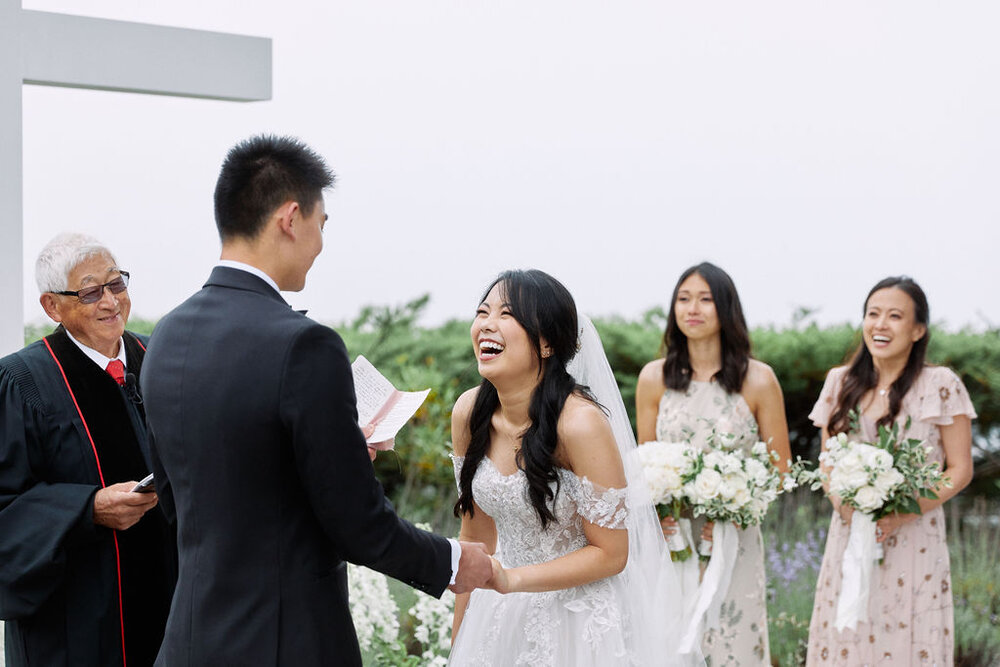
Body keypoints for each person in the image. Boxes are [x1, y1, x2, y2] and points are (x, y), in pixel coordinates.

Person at [139, 135, 492, 667]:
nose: (321, 245)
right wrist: (448, 560)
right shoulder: (304, 343)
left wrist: (334, 456)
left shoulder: (164, 337)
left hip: (190, 640)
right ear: (291, 217)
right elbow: (355, 522)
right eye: (322, 225)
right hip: (286, 641)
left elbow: (181, 496)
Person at [449, 269, 697, 666]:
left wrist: (513, 580)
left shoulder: (580, 423)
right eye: (483, 312)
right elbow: (474, 540)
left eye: (507, 315)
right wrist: (459, 642)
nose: (487, 325)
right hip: (497, 615)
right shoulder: (468, 412)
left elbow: (611, 553)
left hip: (578, 623)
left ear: (546, 343)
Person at [0, 233, 175, 667]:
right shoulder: (22, 383)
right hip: (76, 626)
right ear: (52, 307)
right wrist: (88, 508)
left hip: (173, 608)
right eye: (90, 291)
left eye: (116, 284)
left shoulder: (162, 360)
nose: (110, 302)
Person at [805, 276, 974, 665]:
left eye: (895, 316)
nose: (880, 325)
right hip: (849, 534)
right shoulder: (840, 381)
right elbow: (828, 460)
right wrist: (843, 503)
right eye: (873, 314)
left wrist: (905, 511)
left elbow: (960, 468)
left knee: (907, 639)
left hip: (916, 536)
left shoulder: (940, 383)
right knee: (848, 635)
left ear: (917, 330)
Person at [635, 261, 791, 665]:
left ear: (726, 308)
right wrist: (659, 514)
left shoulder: (758, 380)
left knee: (732, 643)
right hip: (674, 540)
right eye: (684, 299)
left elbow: (780, 470)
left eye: (705, 299)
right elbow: (644, 463)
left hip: (733, 538)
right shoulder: (654, 379)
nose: (693, 308)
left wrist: (736, 505)